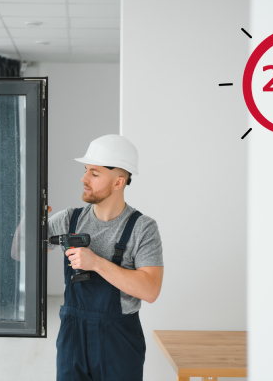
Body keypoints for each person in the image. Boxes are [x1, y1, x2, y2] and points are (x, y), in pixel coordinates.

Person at [48, 134, 164, 381]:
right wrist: (30, 216)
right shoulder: (69, 219)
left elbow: (151, 290)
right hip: (73, 338)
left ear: (118, 182)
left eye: (94, 173)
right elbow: (19, 253)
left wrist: (97, 263)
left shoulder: (143, 228)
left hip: (118, 342)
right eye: (86, 170)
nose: (84, 178)